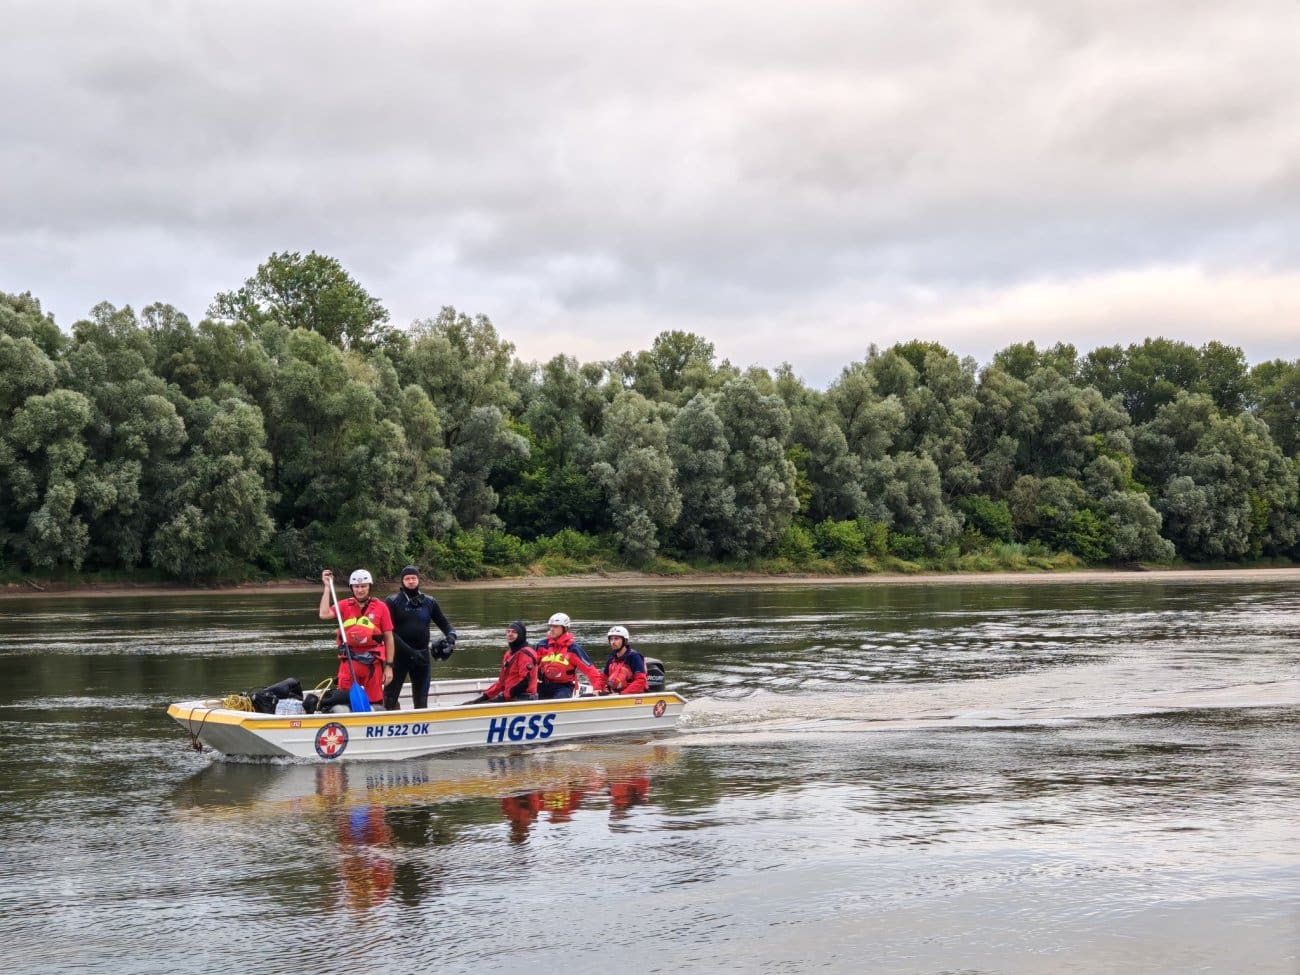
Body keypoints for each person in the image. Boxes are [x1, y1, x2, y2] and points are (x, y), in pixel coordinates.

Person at [383, 565, 457, 710]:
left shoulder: (429, 602)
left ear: (418, 580)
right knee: (389, 700)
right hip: (397, 657)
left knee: (421, 703)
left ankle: (420, 728)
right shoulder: (392, 602)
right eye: (407, 579)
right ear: (402, 581)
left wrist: (451, 637)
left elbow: (445, 624)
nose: (411, 581)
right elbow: (388, 633)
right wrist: (410, 652)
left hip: (422, 657)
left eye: (413, 578)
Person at [319, 568, 394, 710]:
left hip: (373, 664)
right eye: (357, 587)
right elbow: (323, 614)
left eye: (363, 586)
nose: (360, 590)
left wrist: (389, 667)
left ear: (369, 587)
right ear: (352, 588)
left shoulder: (381, 607)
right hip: (349, 662)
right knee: (344, 702)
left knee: (375, 703)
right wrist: (327, 586)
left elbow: (389, 639)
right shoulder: (344, 605)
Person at [534, 612, 605, 698]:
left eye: (556, 626)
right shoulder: (542, 646)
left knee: (559, 701)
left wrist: (597, 688)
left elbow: (590, 670)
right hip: (544, 684)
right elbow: (532, 665)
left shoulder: (573, 649)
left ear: (565, 628)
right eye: (551, 626)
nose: (552, 629)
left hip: (564, 687)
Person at [467, 621, 537, 704]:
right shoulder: (509, 653)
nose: (510, 634)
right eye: (508, 631)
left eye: (514, 632)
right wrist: (484, 697)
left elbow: (525, 683)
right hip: (510, 697)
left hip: (523, 699)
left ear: (521, 635)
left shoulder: (525, 654)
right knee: (473, 703)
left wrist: (504, 696)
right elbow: (501, 682)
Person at [601, 625, 648, 695]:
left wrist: (622, 694)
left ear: (624, 641)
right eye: (611, 639)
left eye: (616, 639)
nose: (613, 642)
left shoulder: (634, 656)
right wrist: (598, 689)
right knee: (586, 696)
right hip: (614, 693)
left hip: (631, 695)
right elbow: (603, 678)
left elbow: (641, 680)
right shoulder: (612, 658)